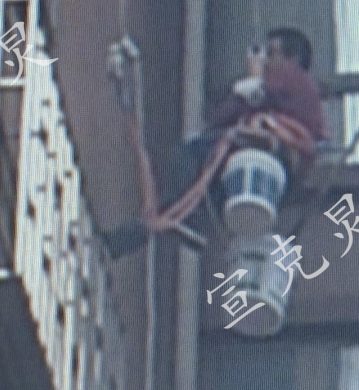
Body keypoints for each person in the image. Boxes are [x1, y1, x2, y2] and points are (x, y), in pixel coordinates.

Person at [103, 27, 327, 259]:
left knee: (187, 163)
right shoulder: (280, 94)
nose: (266, 60)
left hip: (265, 156)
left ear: (292, 58)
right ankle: (122, 240)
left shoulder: (297, 81)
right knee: (180, 196)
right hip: (246, 160)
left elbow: (254, 95)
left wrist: (254, 77)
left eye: (271, 53)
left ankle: (175, 220)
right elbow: (223, 116)